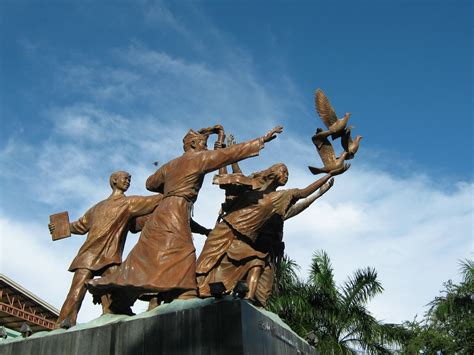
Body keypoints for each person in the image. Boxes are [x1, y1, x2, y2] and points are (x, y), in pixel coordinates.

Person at [87, 125, 283, 308]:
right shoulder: (197, 159)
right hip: (177, 209)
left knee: (147, 253)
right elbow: (229, 154)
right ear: (193, 145)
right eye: (202, 144)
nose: (205, 148)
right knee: (184, 250)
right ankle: (183, 292)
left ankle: (122, 285)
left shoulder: (170, 165)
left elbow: (150, 183)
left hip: (162, 209)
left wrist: (170, 186)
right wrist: (262, 139)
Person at [196, 162, 348, 306]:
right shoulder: (253, 188)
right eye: (284, 172)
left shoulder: (279, 200)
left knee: (257, 266)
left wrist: (327, 178)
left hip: (253, 244)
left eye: (288, 174)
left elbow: (303, 195)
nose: (286, 176)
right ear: (274, 173)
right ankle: (201, 291)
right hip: (226, 231)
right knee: (206, 267)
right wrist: (229, 156)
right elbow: (233, 181)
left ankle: (249, 301)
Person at [48, 171, 163, 327]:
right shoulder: (126, 203)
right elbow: (81, 225)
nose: (128, 181)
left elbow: (80, 226)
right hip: (95, 255)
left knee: (113, 292)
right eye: (125, 178)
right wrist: (61, 227)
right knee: (77, 292)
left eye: (129, 180)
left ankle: (107, 316)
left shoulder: (104, 206)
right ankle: (64, 323)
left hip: (105, 257)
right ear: (114, 180)